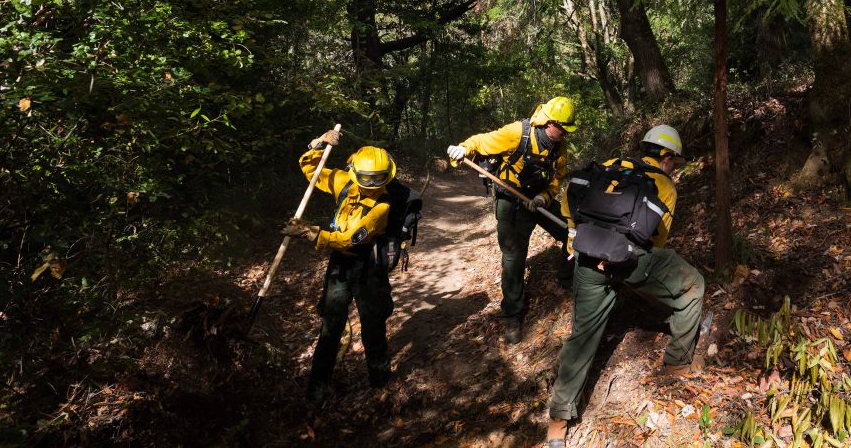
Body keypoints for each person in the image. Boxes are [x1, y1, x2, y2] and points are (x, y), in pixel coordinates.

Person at [544, 125, 705, 447]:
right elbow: (656, 239)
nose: (674, 167)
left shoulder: (608, 165)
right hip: (629, 262)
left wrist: (583, 240)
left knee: (582, 336)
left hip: (586, 257)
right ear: (667, 156)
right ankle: (677, 364)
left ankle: (558, 424)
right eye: (674, 161)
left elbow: (569, 209)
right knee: (694, 286)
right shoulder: (664, 185)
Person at [283, 128, 422, 405]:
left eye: (379, 179)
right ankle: (316, 391)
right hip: (340, 265)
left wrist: (311, 233)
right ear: (355, 171)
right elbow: (312, 170)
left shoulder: (382, 206)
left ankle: (380, 381)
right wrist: (318, 144)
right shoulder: (344, 181)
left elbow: (350, 240)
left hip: (368, 265)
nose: (373, 183)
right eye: (368, 178)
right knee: (331, 325)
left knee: (372, 324)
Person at [447, 96, 577, 344]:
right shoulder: (517, 132)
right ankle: (512, 315)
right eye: (561, 129)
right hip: (511, 200)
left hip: (538, 200)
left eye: (566, 130)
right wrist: (463, 148)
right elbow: (481, 142)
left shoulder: (560, 147)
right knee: (514, 255)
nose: (563, 134)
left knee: (572, 232)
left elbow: (556, 180)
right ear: (549, 122)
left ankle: (566, 278)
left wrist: (542, 197)